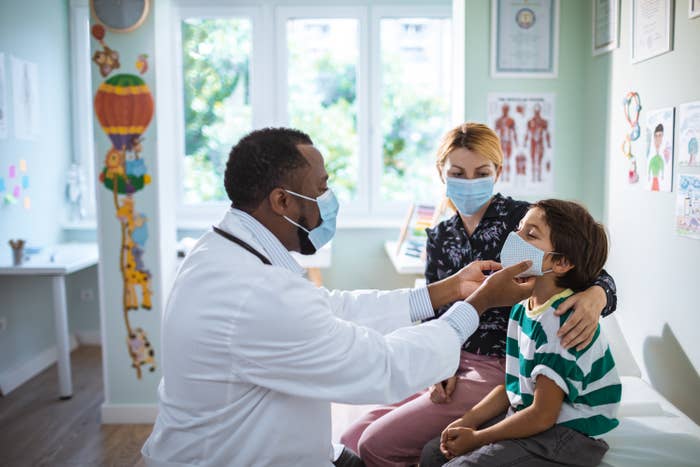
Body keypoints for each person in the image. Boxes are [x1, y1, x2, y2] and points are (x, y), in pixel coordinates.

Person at [140, 127, 536, 467]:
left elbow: (334, 307)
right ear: (282, 201)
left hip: (255, 445)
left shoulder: (222, 253)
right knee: (364, 441)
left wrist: (447, 291)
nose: (330, 199)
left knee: (364, 446)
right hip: (233, 456)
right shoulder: (256, 294)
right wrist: (478, 303)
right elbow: (384, 367)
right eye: (322, 188)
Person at [340, 123, 617, 467]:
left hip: (502, 365)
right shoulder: (440, 235)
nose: (469, 182)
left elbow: (588, 268)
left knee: (376, 444)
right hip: (452, 357)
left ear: (497, 172)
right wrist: (439, 358)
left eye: (481, 172)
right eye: (457, 173)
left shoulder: (523, 219)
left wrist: (596, 297)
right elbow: (434, 309)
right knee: (351, 440)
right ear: (441, 173)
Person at [420, 199, 621, 466]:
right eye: (519, 228)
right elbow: (513, 386)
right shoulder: (522, 309)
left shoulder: (560, 321)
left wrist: (478, 438)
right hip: (534, 414)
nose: (514, 237)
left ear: (561, 262)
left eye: (531, 234)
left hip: (568, 435)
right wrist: (468, 421)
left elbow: (542, 415)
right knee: (433, 453)